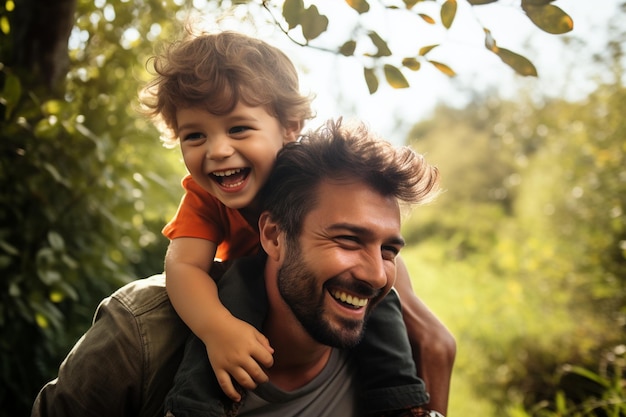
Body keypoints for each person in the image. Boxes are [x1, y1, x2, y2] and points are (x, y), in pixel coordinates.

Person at [31, 119, 444, 417]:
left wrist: (434, 362)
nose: (374, 274)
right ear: (274, 235)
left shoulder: (387, 348)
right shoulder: (139, 333)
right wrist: (215, 327)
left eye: (389, 249)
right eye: (348, 240)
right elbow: (185, 265)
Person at [139, 30, 455, 415]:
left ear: (290, 127)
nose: (218, 150)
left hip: (314, 285)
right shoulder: (205, 197)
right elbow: (184, 266)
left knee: (383, 307)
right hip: (255, 293)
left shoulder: (313, 179)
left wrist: (405, 299)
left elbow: (370, 242)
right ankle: (195, 408)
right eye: (194, 136)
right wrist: (216, 328)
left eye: (238, 128)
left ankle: (399, 402)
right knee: (232, 290)